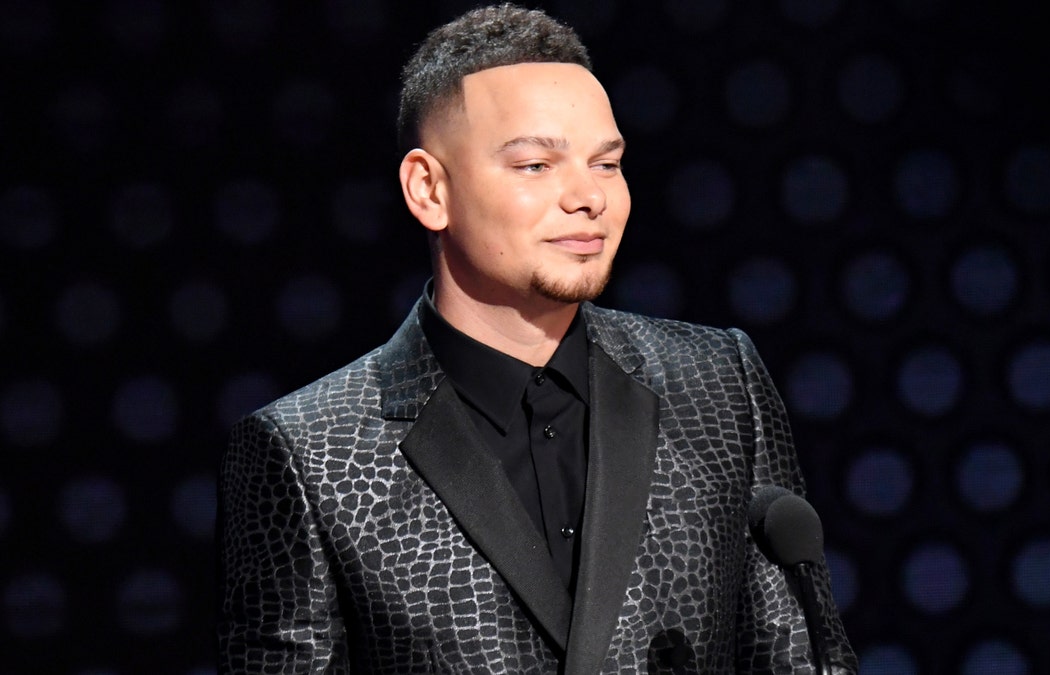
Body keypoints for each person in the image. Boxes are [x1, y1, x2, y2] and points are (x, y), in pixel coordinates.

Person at [218, 4, 856, 673]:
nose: (588, 197)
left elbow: (800, 654)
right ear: (429, 189)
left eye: (607, 164)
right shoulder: (309, 452)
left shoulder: (716, 383)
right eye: (535, 166)